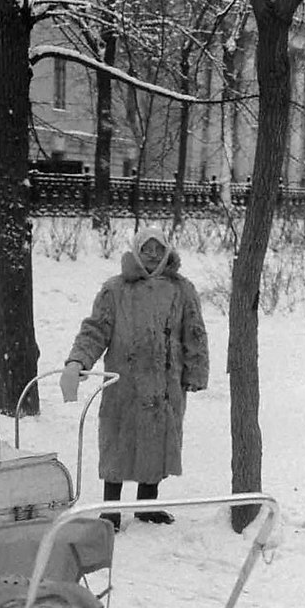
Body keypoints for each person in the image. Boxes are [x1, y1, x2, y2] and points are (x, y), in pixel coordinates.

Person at [59, 226, 208, 528]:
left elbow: (195, 333)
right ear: (136, 252)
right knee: (117, 442)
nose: (152, 255)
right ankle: (111, 509)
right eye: (146, 249)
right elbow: (95, 329)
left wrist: (196, 371)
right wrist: (78, 360)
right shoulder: (115, 290)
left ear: (166, 252)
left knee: (157, 441)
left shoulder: (182, 289)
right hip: (124, 382)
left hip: (165, 384)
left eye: (158, 249)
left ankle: (146, 506)